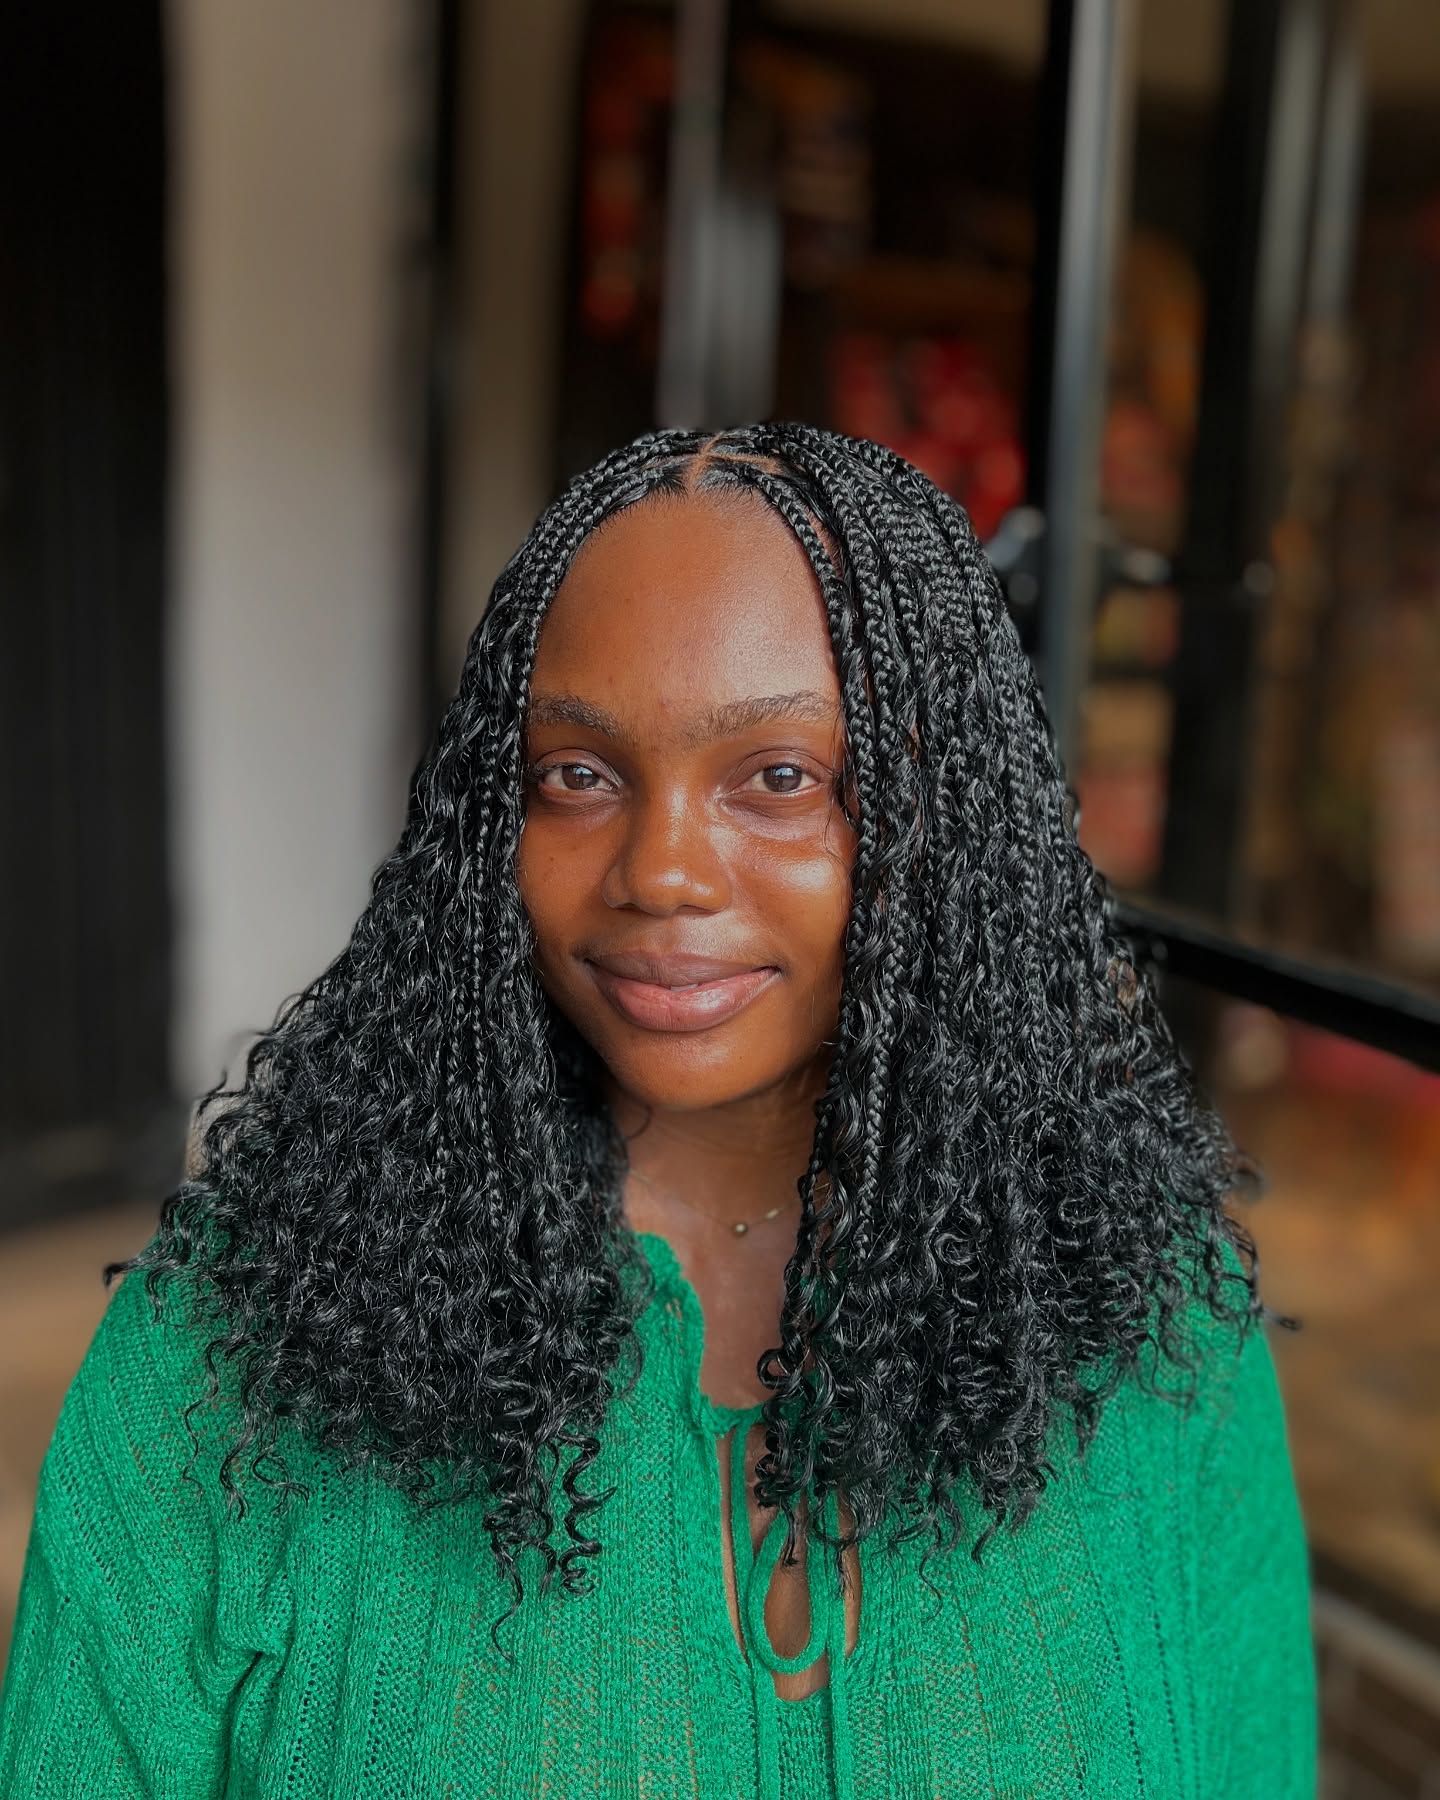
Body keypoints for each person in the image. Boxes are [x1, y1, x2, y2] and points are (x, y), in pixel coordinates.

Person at [0, 424, 1316, 1798]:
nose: (662, 870)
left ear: (946, 815)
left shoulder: (1151, 1323)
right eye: (578, 774)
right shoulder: (233, 1349)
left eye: (780, 778)